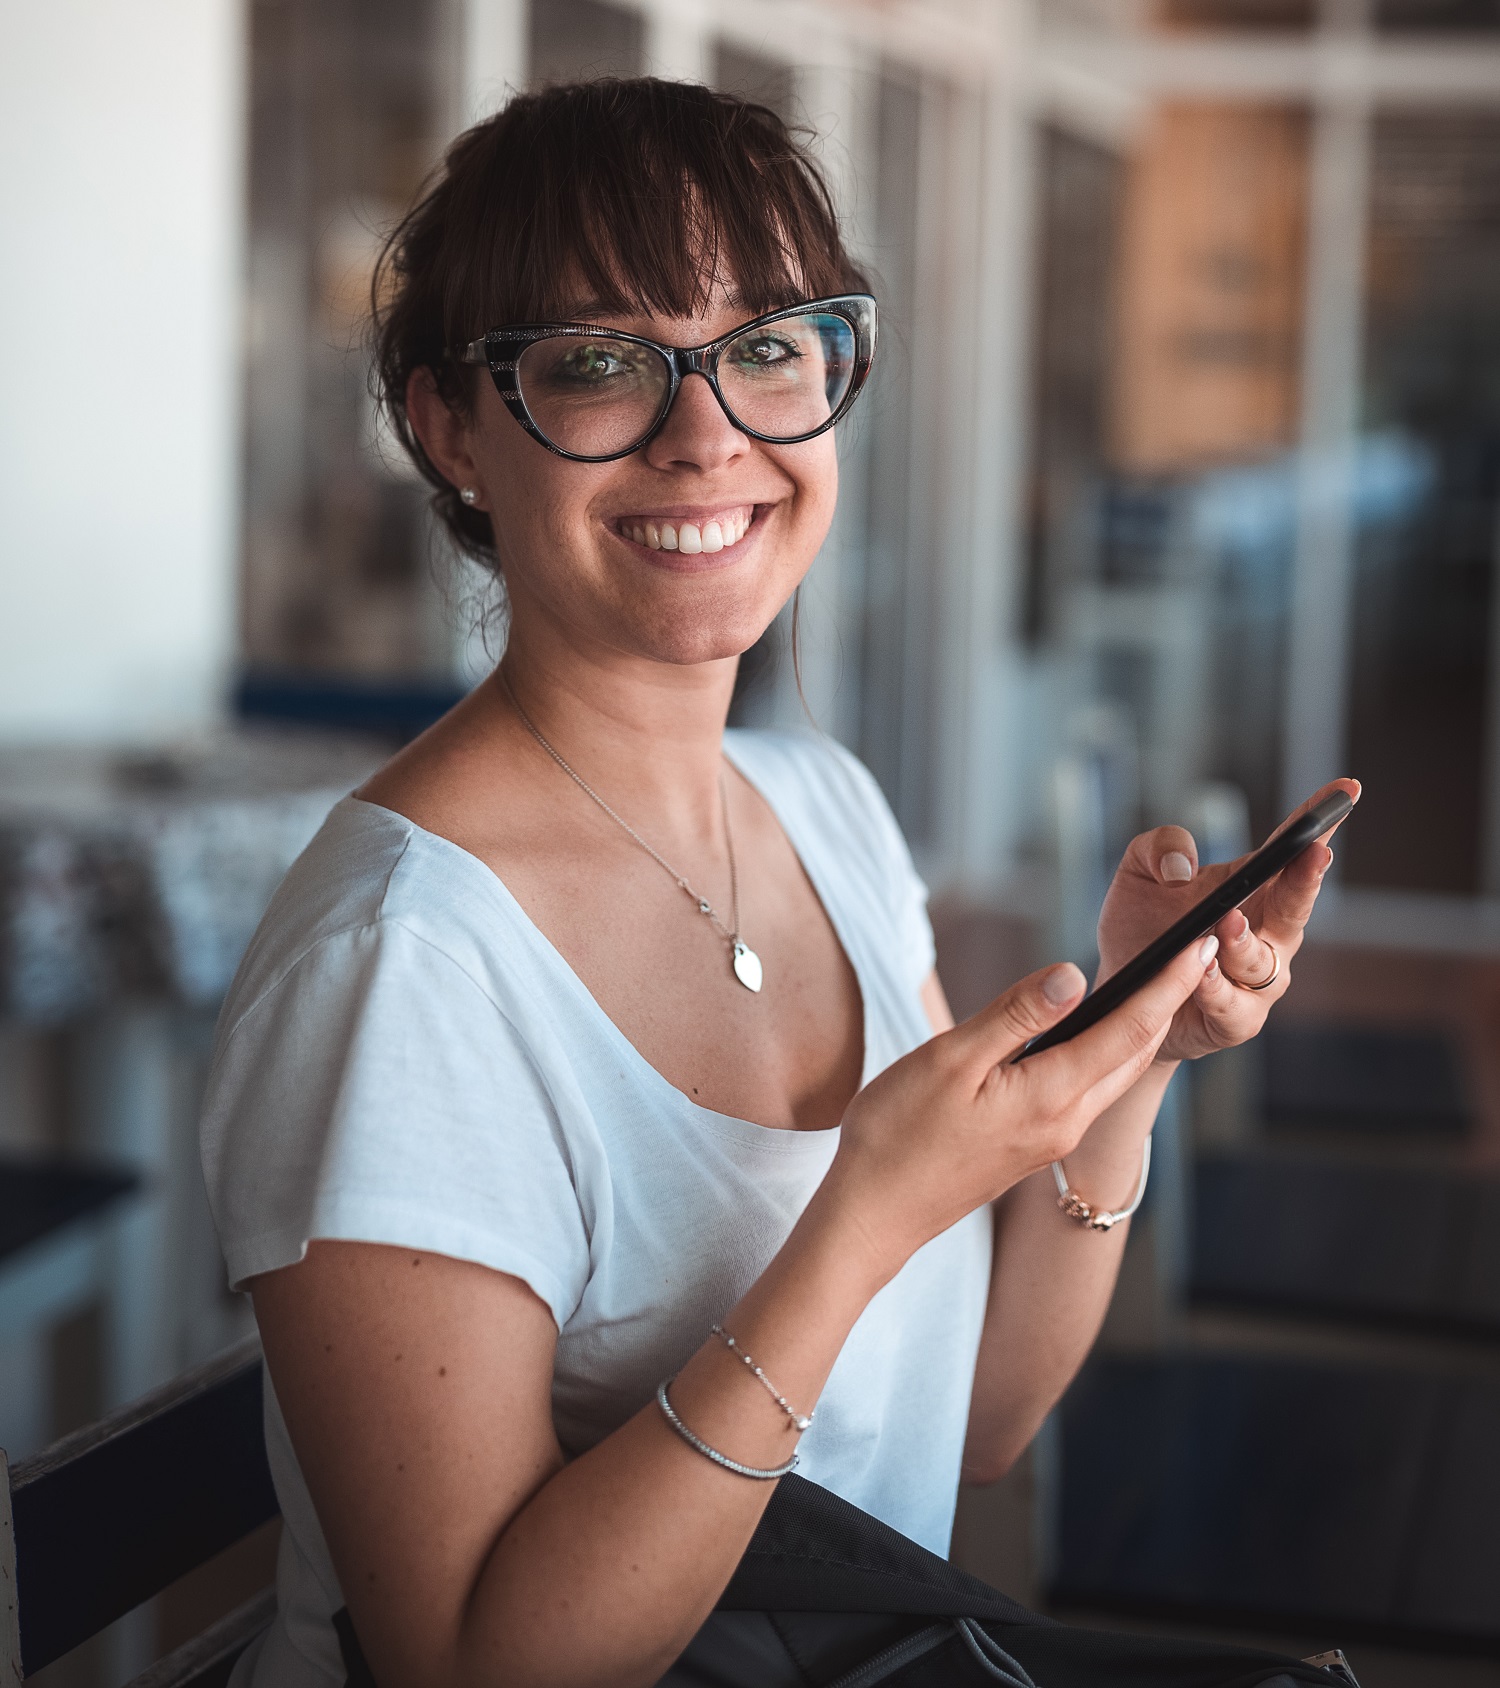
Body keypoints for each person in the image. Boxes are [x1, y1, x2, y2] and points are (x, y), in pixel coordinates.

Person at [199, 77, 1354, 1688]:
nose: (708, 435)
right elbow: (475, 1663)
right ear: (449, 425)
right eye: (600, 363)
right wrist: (860, 1215)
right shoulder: (401, 963)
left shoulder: (827, 810)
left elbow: (984, 1423)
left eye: (766, 348)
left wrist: (1131, 1057)